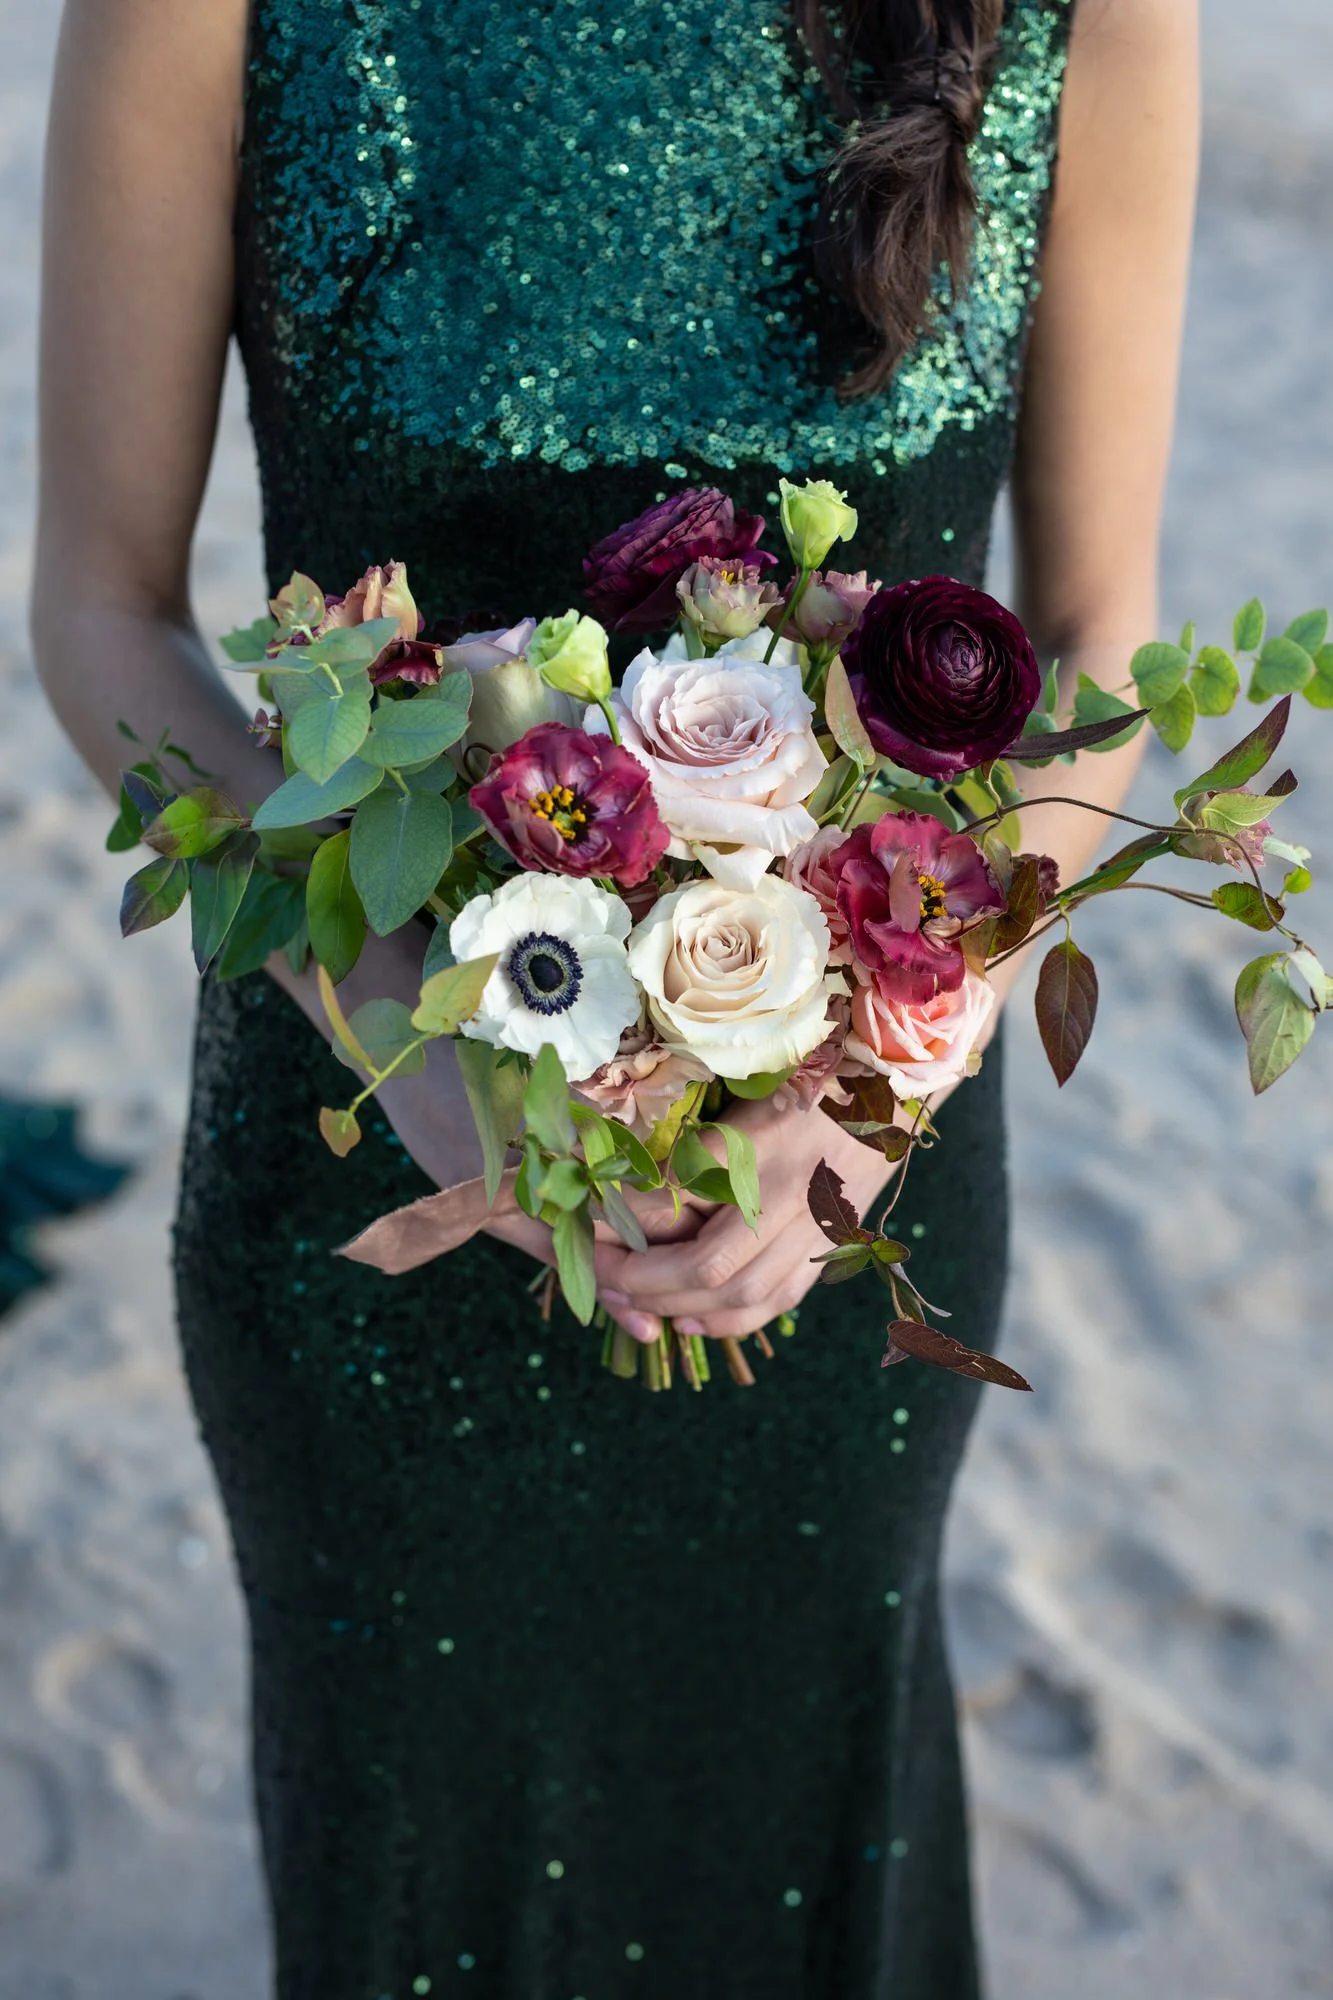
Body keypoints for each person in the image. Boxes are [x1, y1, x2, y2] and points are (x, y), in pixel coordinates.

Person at [32, 0, 1198, 1992]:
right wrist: (397, 1020)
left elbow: (1097, 640)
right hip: (377, 1191)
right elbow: (102, 611)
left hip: (848, 1210)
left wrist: (879, 1079)